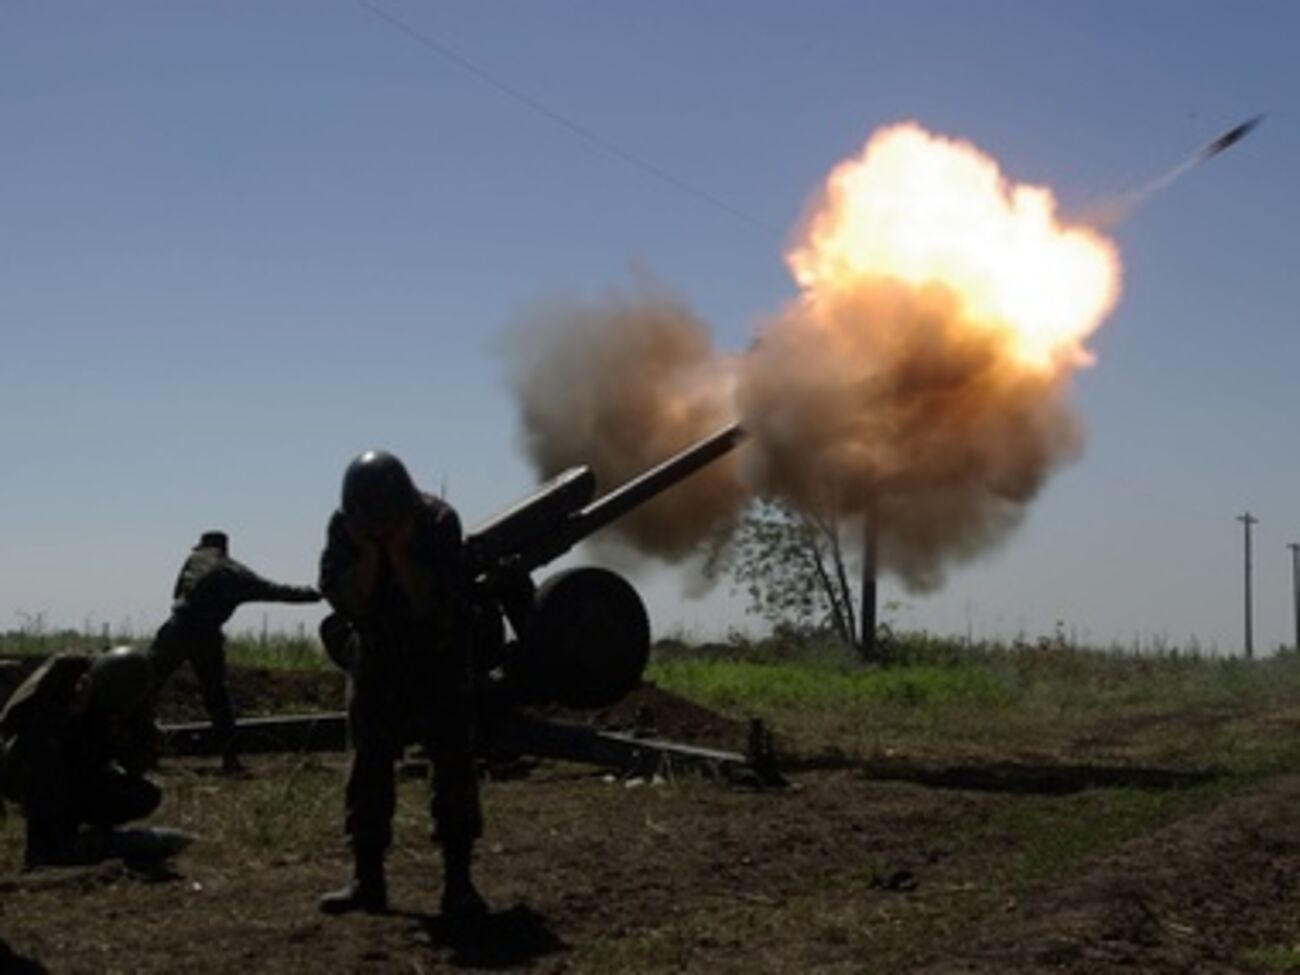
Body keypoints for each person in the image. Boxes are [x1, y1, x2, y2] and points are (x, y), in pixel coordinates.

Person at [317, 450, 486, 920]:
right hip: (377, 655)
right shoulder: (345, 528)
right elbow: (346, 599)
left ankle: (459, 884)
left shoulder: (437, 522)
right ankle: (367, 881)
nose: (375, 525)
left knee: (452, 764)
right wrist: (372, 554)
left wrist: (400, 551)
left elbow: (429, 602)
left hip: (439, 655)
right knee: (368, 765)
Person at [148, 530, 320, 772]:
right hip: (206, 633)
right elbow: (275, 591)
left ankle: (140, 750)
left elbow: (177, 594)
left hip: (176, 627)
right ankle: (230, 758)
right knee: (216, 695)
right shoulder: (236, 574)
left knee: (147, 687)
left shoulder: (195, 560)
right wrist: (313, 594)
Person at [0, 647, 160, 870]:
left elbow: (142, 763)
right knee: (42, 751)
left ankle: (85, 838)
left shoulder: (133, 702)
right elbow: (12, 722)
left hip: (83, 776)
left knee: (143, 795)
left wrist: (120, 734)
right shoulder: (64, 669)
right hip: (29, 772)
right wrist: (69, 711)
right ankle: (43, 849)